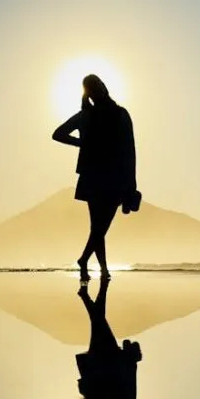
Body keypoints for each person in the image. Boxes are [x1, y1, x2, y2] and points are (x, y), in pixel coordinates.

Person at [52, 74, 137, 282]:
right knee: (99, 227)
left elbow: (130, 150)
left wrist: (82, 143)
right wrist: (82, 144)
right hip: (107, 177)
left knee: (99, 227)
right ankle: (99, 268)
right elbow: (58, 134)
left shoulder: (96, 115)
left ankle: (89, 262)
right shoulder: (109, 114)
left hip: (101, 176)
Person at [54, 278, 142, 399]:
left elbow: (129, 394)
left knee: (98, 322)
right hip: (103, 369)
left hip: (107, 368)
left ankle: (91, 292)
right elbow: (129, 395)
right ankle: (90, 292)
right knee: (98, 322)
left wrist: (131, 364)